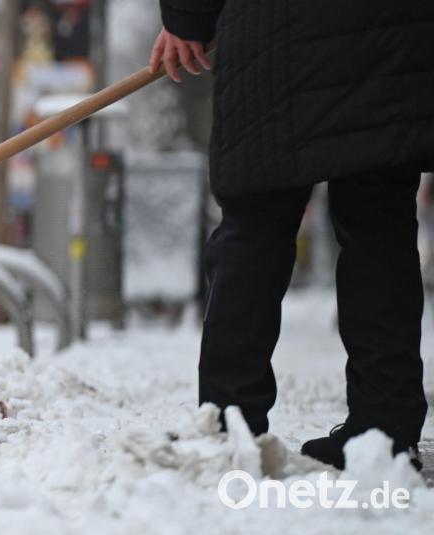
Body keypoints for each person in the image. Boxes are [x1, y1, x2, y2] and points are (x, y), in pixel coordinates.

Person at [150, 0, 434, 470]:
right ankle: (386, 430)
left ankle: (228, 423)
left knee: (255, 222)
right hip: (394, 35)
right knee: (380, 225)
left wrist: (186, 17)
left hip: (275, 31)